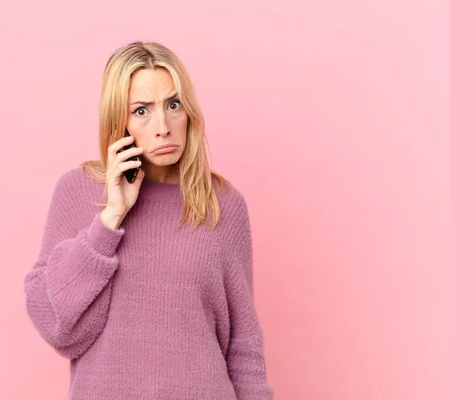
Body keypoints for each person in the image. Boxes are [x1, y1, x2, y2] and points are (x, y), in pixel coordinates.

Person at [23, 41, 274, 399]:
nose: (163, 126)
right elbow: (59, 328)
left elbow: (243, 343)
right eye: (141, 111)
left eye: (173, 105)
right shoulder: (78, 192)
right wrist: (110, 218)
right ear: (118, 121)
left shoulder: (222, 205)